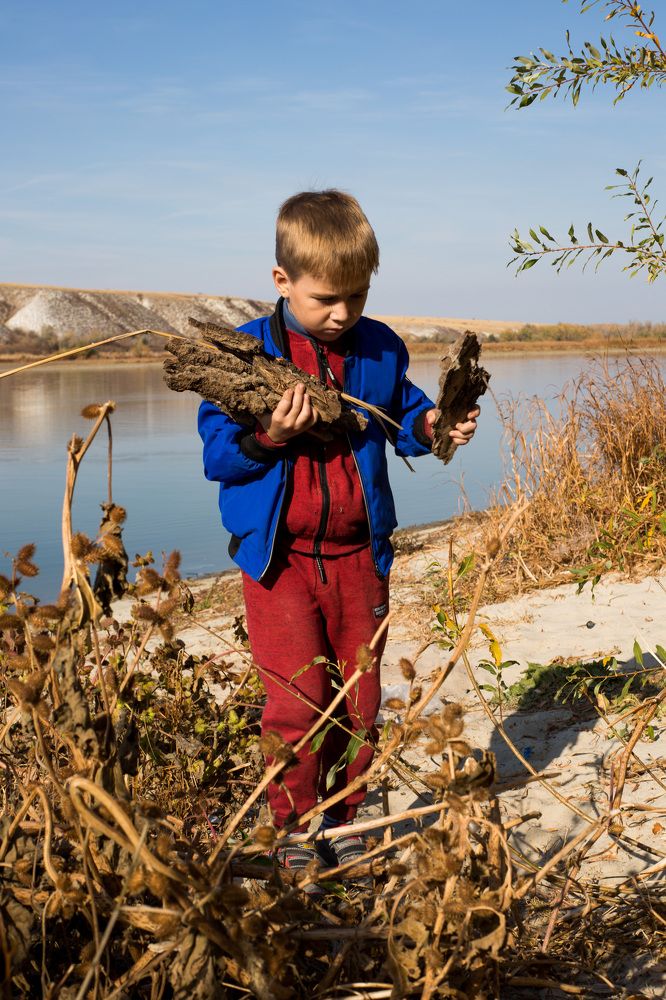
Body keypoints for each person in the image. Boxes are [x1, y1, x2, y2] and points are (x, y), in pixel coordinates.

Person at [198, 190, 479, 881]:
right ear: (281, 280)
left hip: (361, 557)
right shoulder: (244, 353)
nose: (342, 313)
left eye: (356, 295)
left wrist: (435, 429)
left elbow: (402, 415)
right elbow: (218, 456)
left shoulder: (380, 347)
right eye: (326, 298)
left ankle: (348, 820)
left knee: (359, 701)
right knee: (295, 701)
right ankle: (291, 829)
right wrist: (273, 434)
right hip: (281, 561)